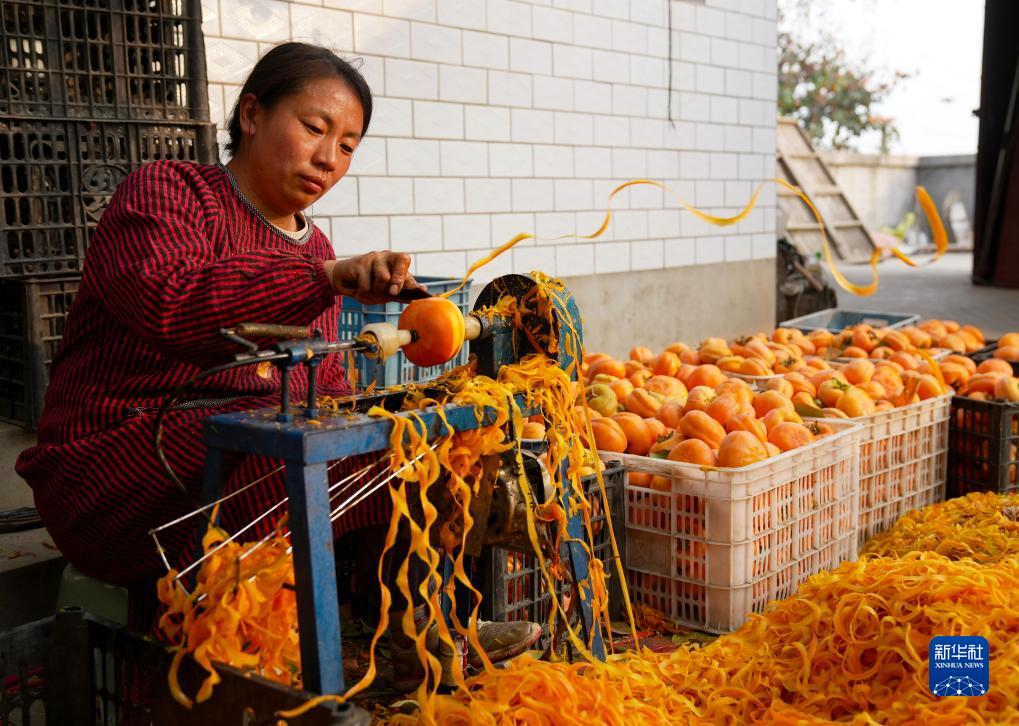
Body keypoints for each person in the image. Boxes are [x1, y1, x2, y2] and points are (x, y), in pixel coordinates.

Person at [16, 42, 539, 689]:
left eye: (348, 144)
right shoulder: (168, 192)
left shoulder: (315, 250)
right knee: (300, 448)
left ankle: (413, 633)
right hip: (117, 463)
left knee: (406, 438)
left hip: (233, 460)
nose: (328, 157)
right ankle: (252, 657)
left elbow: (327, 385)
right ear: (252, 114)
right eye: (315, 128)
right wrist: (322, 278)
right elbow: (172, 305)